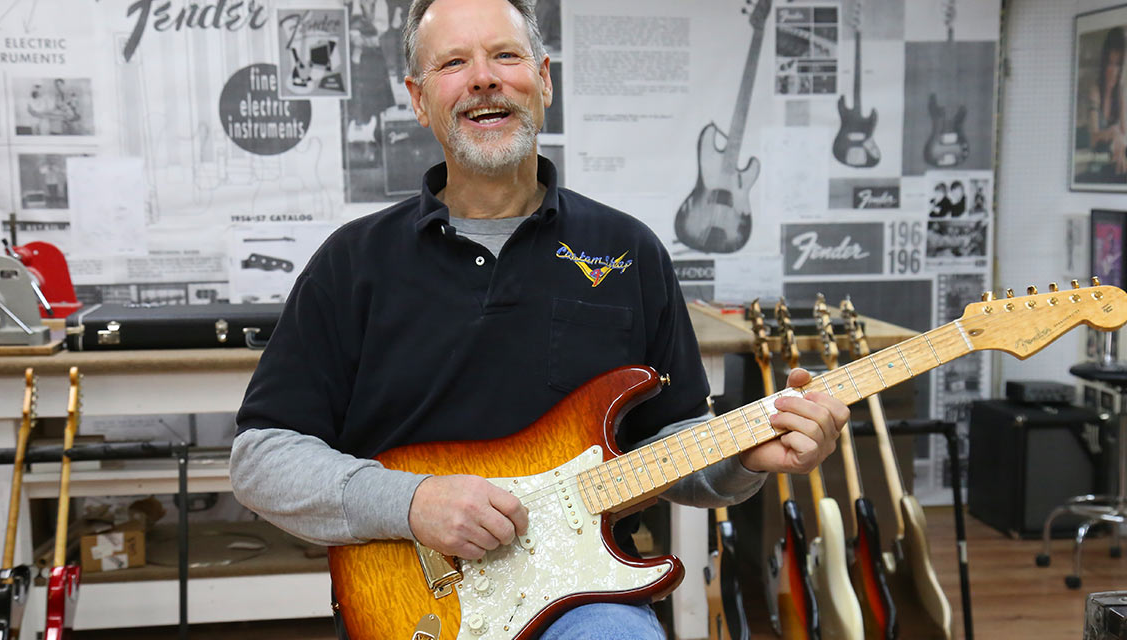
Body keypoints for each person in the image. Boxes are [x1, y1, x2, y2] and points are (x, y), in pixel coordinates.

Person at [229, 0, 848, 638]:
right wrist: (412, 503)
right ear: (419, 98)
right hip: (415, 605)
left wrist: (748, 456)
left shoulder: (629, 249)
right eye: (453, 63)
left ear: (544, 79)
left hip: (585, 598)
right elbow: (262, 458)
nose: (483, 78)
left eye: (505, 55)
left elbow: (673, 444)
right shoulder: (352, 263)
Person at [1079, 26, 1127, 179]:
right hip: (1096, 164)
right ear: (1104, 63)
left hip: (1113, 161)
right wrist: (1113, 132)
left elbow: (1125, 132)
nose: (1113, 71)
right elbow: (1093, 138)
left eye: (1118, 65)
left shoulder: (1120, 93)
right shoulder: (1095, 91)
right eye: (1110, 64)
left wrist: (1119, 137)